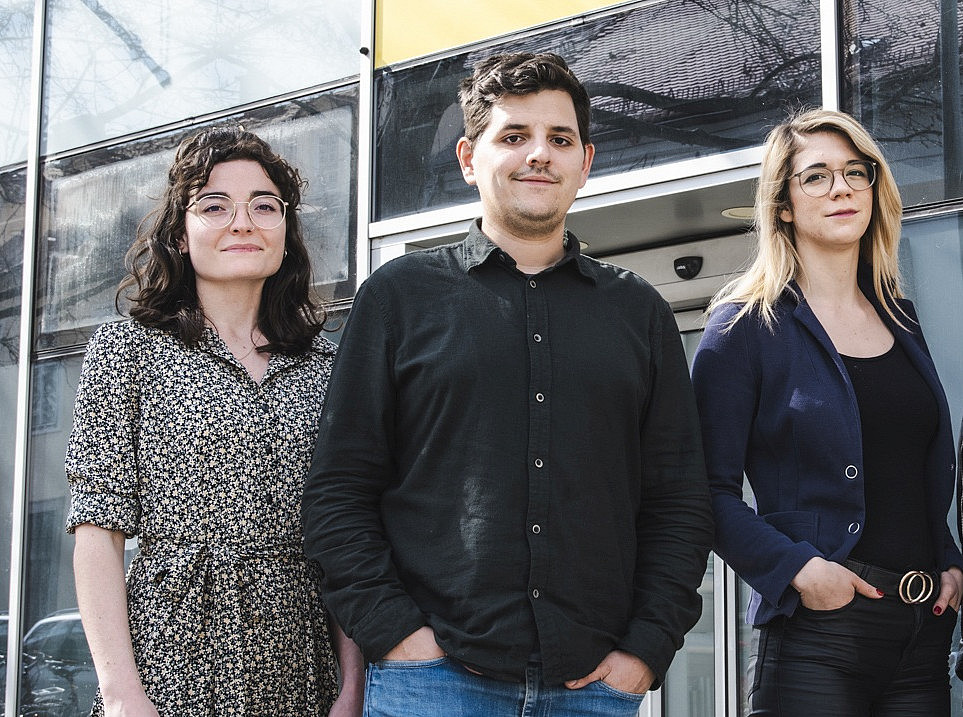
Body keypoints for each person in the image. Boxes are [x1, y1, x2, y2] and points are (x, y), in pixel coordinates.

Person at [301, 52, 713, 716]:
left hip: (593, 691)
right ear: (469, 158)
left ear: (586, 160)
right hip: (431, 686)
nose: (538, 155)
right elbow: (338, 490)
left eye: (559, 139)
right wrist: (398, 635)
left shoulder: (637, 312)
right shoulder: (399, 297)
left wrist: (644, 651)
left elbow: (678, 503)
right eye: (513, 136)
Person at [65, 128, 364, 717]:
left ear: (286, 230)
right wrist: (122, 693)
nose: (244, 221)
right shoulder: (126, 352)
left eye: (264, 206)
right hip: (169, 668)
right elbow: (99, 534)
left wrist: (351, 685)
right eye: (214, 205)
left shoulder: (328, 368)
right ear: (180, 232)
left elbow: (348, 536)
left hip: (303, 669)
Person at [691, 108, 963, 715]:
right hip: (822, 637)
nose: (841, 188)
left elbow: (908, 470)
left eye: (855, 172)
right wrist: (797, 570)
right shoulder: (743, 328)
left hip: (923, 634)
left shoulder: (902, 318)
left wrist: (948, 558)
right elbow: (703, 492)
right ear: (782, 205)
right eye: (815, 176)